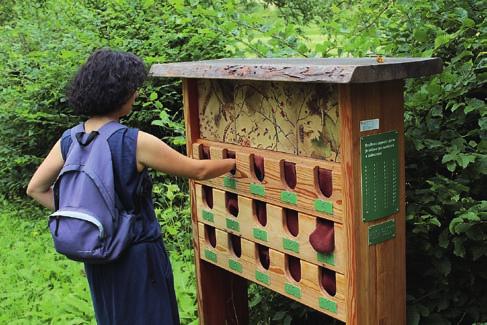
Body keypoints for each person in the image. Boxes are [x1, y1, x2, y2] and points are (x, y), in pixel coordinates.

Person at [26, 49, 236, 325]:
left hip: (99, 253)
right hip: (137, 255)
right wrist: (234, 162)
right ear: (120, 93)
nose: (136, 94)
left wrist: (93, 215)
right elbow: (197, 170)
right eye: (133, 89)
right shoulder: (133, 142)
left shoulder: (70, 139)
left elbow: (36, 188)